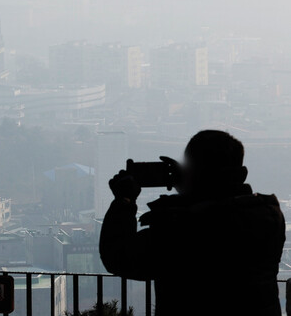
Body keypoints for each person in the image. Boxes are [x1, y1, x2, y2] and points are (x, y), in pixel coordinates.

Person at [100, 130, 286, 316]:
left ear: (194, 173)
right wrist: (191, 189)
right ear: (242, 174)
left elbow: (119, 256)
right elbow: (222, 209)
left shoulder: (181, 229)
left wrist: (124, 201)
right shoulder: (268, 218)